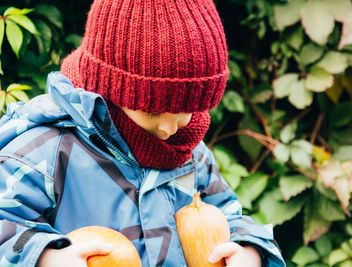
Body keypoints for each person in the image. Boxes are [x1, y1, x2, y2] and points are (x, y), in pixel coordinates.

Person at [0, 0, 285, 266]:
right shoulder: (47, 150)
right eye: (152, 112)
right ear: (109, 89)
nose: (169, 128)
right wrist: (46, 257)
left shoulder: (191, 153)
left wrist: (248, 249)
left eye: (184, 111)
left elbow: (229, 215)